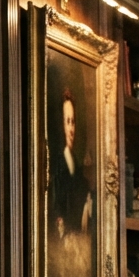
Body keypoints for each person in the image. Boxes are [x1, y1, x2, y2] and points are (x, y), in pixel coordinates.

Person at [50, 88, 93, 239]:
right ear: (61, 125)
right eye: (67, 122)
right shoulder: (57, 164)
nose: (71, 129)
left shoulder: (76, 163)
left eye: (73, 122)